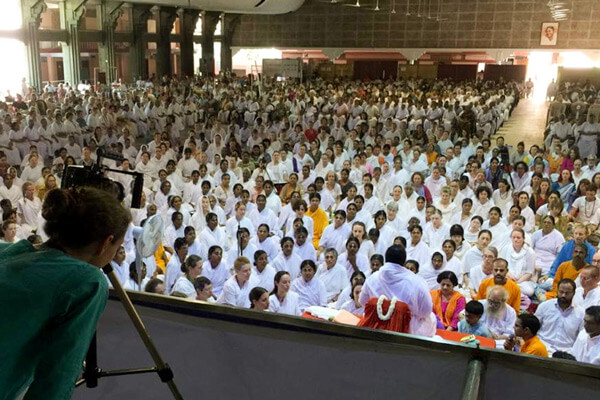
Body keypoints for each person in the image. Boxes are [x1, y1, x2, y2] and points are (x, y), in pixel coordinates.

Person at [0, 186, 131, 400]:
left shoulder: (5, 251)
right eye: (117, 246)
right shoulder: (86, 282)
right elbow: (55, 380)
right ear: (105, 244)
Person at [360, 245, 435, 336]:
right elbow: (426, 311)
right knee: (431, 317)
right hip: (406, 331)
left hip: (375, 327)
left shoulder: (372, 278)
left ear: (386, 259)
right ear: (404, 262)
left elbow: (363, 302)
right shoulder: (417, 282)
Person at [535, 279, 584, 354]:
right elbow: (534, 327)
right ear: (557, 291)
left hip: (566, 352)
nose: (563, 295)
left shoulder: (581, 313)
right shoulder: (544, 306)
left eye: (567, 293)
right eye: (561, 292)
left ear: (573, 293)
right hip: (542, 347)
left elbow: (582, 338)